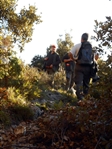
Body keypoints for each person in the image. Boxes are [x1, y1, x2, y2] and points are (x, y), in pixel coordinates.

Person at [68, 33, 94, 100]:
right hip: (88, 67)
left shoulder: (78, 45)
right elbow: (96, 56)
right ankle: (85, 98)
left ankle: (79, 98)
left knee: (79, 82)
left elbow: (70, 53)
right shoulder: (91, 46)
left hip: (79, 66)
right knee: (86, 83)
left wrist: (74, 59)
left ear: (81, 38)